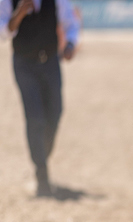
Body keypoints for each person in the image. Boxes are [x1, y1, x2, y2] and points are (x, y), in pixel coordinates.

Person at [0, 0, 80, 196]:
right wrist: (18, 15)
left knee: (55, 114)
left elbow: (70, 22)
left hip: (51, 62)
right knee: (35, 118)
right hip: (24, 64)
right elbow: (3, 31)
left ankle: (42, 158)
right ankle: (42, 175)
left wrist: (69, 43)